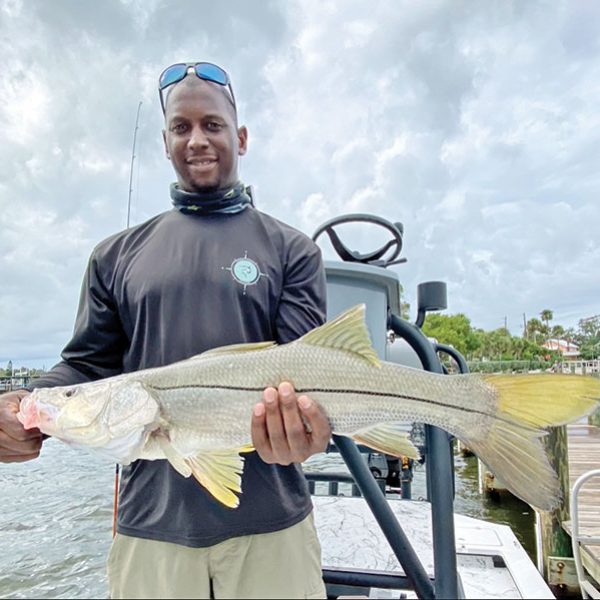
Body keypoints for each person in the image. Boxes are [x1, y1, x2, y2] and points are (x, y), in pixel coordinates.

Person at [0, 61, 332, 599]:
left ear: (240, 137)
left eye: (213, 125)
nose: (197, 139)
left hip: (274, 525)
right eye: (182, 127)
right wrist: (27, 405)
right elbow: (86, 366)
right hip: (150, 527)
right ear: (165, 141)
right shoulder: (115, 255)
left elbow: (307, 376)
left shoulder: (292, 250)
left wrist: (312, 427)